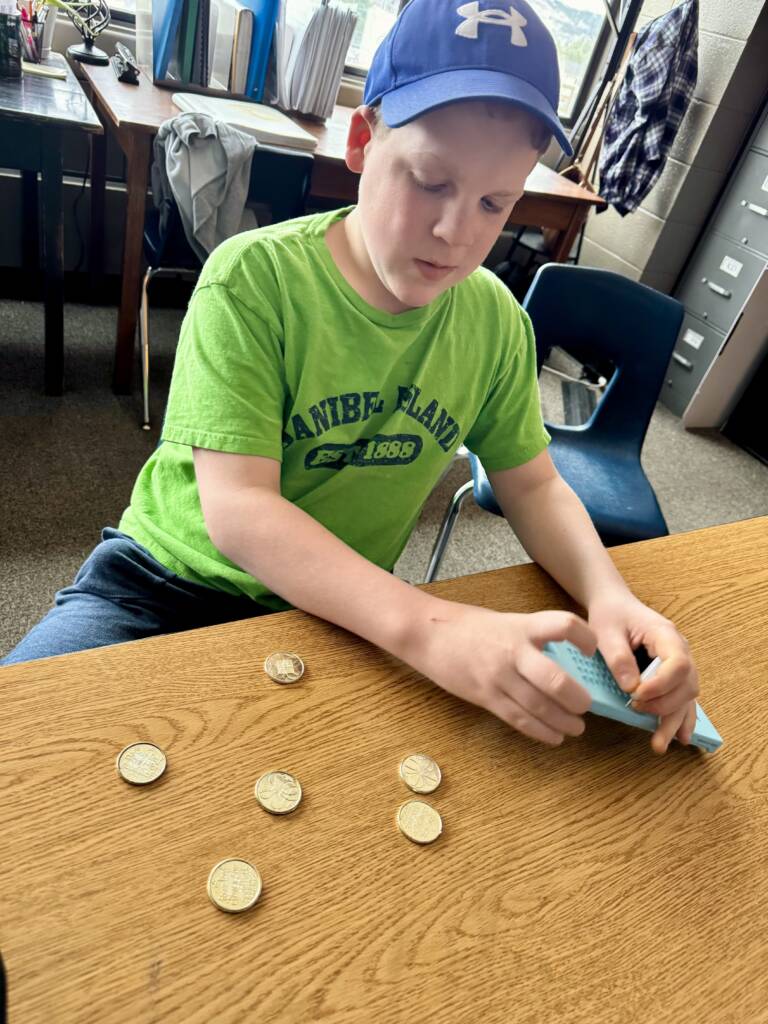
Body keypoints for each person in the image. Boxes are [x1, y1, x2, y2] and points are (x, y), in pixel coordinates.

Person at [2, 0, 699, 755]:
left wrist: (609, 596)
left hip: (341, 613)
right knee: (29, 743)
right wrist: (430, 629)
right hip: (164, 586)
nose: (456, 233)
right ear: (363, 142)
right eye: (429, 181)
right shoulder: (254, 280)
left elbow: (532, 485)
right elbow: (240, 511)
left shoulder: (496, 324)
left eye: (494, 203)